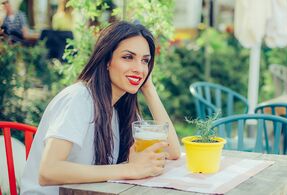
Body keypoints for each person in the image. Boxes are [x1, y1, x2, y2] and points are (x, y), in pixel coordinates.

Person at [20, 22, 181, 194]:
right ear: (106, 60)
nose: (139, 68)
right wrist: (130, 169)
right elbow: (48, 171)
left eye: (145, 61)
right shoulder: (80, 98)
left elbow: (171, 151)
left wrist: (149, 89)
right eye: (128, 57)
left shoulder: (122, 107)